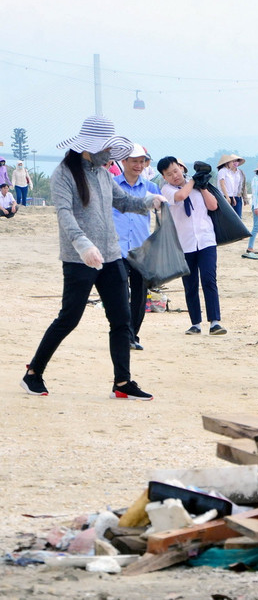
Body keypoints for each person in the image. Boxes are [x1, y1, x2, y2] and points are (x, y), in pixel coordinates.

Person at [21, 115, 164, 399]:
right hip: (79, 260)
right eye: (107, 149)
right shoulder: (63, 174)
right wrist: (83, 245)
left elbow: (123, 201)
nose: (110, 154)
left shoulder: (102, 173)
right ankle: (33, 372)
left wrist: (150, 201)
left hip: (111, 257)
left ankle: (122, 383)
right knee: (69, 318)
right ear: (89, 146)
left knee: (122, 319)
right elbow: (64, 214)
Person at [158, 157, 227, 336]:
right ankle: (195, 323)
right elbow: (180, 196)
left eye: (176, 171)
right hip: (184, 243)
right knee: (190, 284)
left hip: (206, 239)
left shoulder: (196, 184)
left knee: (209, 279)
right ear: (164, 177)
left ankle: (215, 322)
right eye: (169, 174)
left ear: (181, 168)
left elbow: (213, 206)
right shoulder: (166, 190)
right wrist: (194, 181)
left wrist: (202, 187)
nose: (174, 176)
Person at [113, 143, 161, 350]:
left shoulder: (151, 188)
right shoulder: (112, 185)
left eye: (142, 161)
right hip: (117, 248)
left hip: (142, 249)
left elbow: (163, 214)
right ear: (123, 161)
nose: (139, 165)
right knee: (121, 295)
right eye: (134, 161)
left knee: (141, 296)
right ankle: (124, 334)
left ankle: (133, 334)